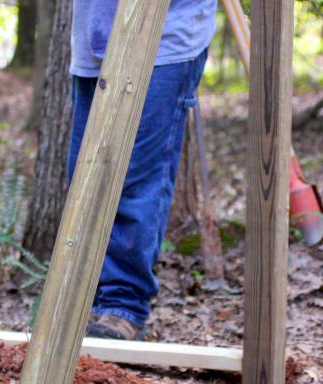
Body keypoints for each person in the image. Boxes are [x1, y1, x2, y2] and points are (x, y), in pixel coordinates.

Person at [67, 0, 217, 341]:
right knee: (81, 180)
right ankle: (84, 301)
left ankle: (123, 306)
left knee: (136, 182)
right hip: (94, 40)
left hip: (164, 40)